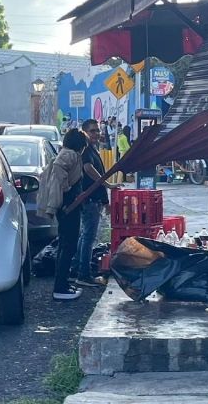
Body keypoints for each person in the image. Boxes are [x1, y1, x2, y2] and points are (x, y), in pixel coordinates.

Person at [36, 128, 88, 300]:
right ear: (79, 144)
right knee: (69, 245)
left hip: (68, 204)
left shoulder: (68, 153)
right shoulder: (70, 154)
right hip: (68, 205)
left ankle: (63, 283)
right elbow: (59, 166)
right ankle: (60, 287)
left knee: (65, 244)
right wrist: (66, 187)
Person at [71, 119, 121, 286]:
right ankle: (83, 274)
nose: (96, 134)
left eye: (97, 130)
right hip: (89, 200)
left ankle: (75, 268)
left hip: (95, 199)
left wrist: (106, 200)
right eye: (92, 131)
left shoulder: (93, 150)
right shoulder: (85, 151)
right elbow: (88, 169)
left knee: (85, 235)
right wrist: (107, 184)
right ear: (85, 132)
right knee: (88, 237)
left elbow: (98, 172)